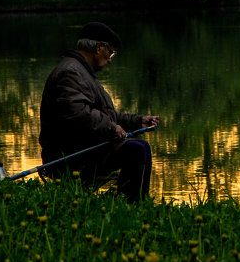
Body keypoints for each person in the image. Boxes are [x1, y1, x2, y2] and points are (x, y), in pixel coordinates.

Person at [38, 22, 160, 199]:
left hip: (85, 147)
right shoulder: (70, 72)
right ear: (98, 47)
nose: (110, 59)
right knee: (137, 150)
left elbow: (105, 115)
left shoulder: (82, 72)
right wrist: (112, 128)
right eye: (110, 52)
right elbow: (78, 114)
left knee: (140, 146)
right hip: (70, 156)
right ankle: (132, 206)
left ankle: (134, 203)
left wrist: (136, 121)